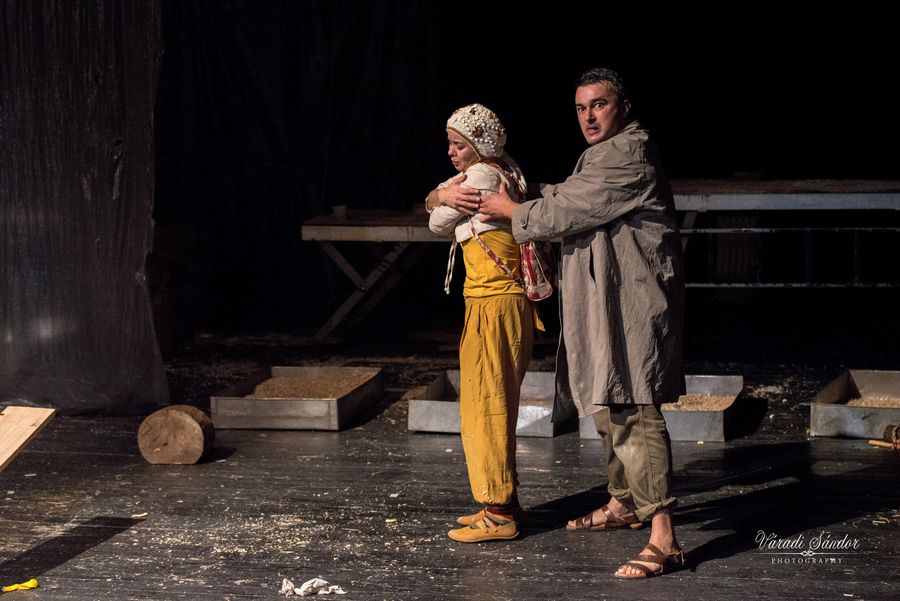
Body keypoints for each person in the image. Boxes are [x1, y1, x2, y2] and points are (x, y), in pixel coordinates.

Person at [478, 68, 686, 579]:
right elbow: (570, 193)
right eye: (580, 108)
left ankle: (665, 536)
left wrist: (512, 208)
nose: (588, 117)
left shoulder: (630, 152)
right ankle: (623, 502)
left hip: (631, 300)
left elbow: (570, 208)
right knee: (606, 397)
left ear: (624, 107)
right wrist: (525, 190)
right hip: (605, 301)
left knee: (633, 404)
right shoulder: (602, 154)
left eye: (599, 105)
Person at [425, 103, 539, 543]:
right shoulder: (505, 168)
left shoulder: (480, 177)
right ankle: (503, 502)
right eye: (450, 144)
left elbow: (437, 223)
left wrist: (440, 198)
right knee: (491, 401)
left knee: (486, 405)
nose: (452, 153)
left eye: (459, 144)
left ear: (479, 144)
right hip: (495, 303)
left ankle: (499, 513)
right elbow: (436, 205)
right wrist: (440, 194)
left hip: (493, 303)